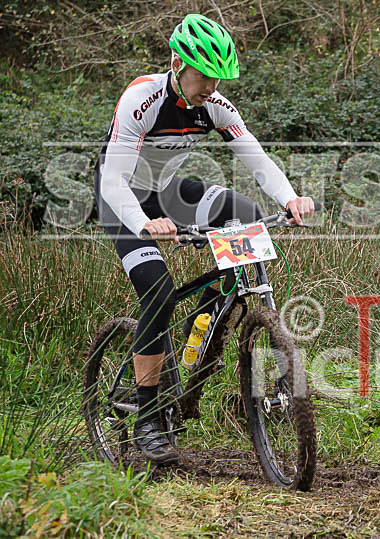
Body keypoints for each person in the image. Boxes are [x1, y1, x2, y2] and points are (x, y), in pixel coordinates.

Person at [94, 14, 314, 463]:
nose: (212, 85)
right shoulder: (142, 98)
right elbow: (113, 180)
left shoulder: (215, 105)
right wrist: (144, 225)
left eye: (218, 77)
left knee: (246, 213)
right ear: (177, 63)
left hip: (170, 194)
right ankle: (148, 418)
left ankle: (204, 335)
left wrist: (290, 198)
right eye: (203, 75)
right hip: (122, 203)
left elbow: (255, 157)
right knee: (156, 292)